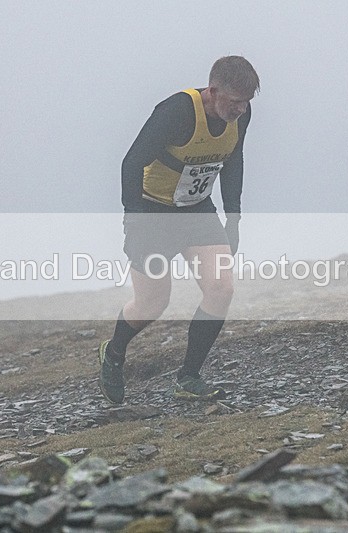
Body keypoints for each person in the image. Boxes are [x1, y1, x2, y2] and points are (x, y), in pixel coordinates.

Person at [98, 55, 259, 404]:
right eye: (233, 102)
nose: (240, 109)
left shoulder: (240, 115)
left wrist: (234, 219)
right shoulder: (176, 112)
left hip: (196, 212)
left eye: (246, 102)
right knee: (153, 303)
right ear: (213, 91)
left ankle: (188, 377)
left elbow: (233, 161)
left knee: (221, 287)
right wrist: (134, 219)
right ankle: (113, 352)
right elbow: (131, 163)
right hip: (152, 213)